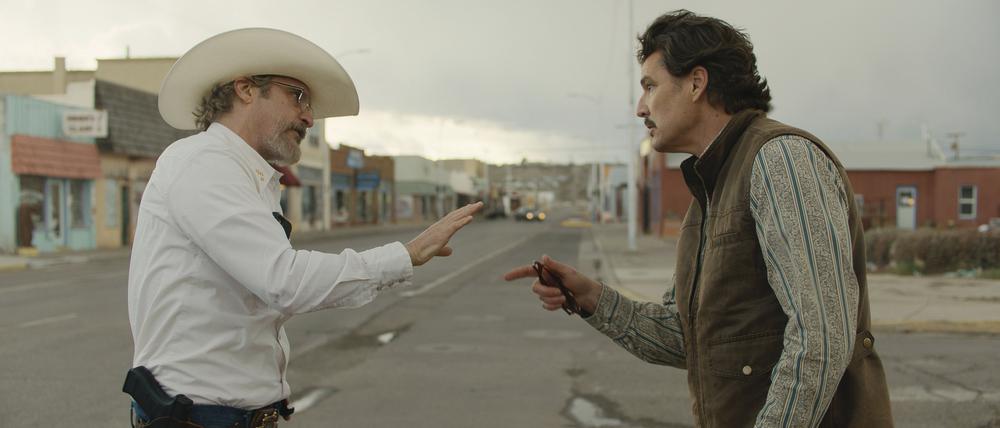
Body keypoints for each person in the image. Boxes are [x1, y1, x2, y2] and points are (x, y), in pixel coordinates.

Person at [506, 10, 892, 428]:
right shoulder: (707, 195)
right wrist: (592, 298)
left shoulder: (780, 161)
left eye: (650, 86)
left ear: (696, 82)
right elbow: (686, 340)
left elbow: (821, 338)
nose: (640, 108)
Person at [127, 28, 482, 427]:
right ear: (245, 88)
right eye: (296, 96)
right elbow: (284, 281)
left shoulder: (247, 176)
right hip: (199, 417)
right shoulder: (205, 164)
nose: (309, 117)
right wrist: (405, 255)